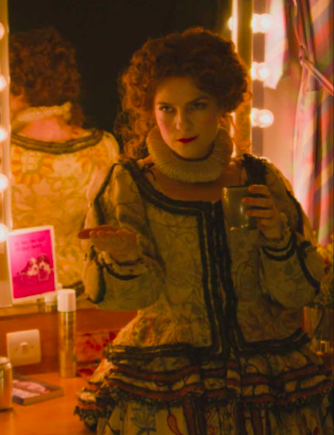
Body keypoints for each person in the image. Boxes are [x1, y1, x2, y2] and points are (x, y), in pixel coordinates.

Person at [75, 27, 333, 434]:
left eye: (197, 104)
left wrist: (278, 239)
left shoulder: (260, 178)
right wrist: (125, 255)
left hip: (271, 382)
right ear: (150, 109)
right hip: (163, 386)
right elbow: (124, 297)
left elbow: (298, 294)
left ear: (221, 105)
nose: (181, 122)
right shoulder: (127, 186)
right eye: (166, 108)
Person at [9, 27, 119, 294]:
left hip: (17, 297)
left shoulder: (6, 154)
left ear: (20, 86)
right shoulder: (104, 147)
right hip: (90, 290)